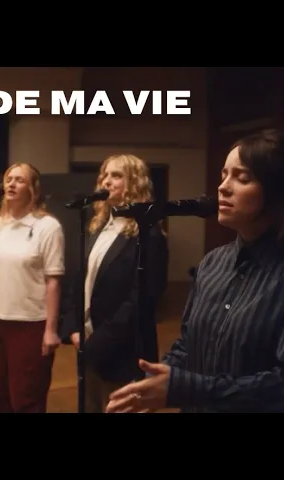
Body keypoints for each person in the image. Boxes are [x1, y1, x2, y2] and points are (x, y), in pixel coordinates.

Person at [106, 129, 284, 413]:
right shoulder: (212, 263)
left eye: (242, 178)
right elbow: (189, 345)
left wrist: (185, 388)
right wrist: (154, 383)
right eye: (224, 175)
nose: (223, 187)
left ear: (278, 192)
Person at [59, 154, 168, 413]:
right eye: (104, 175)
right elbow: (80, 280)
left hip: (123, 353)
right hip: (88, 346)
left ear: (135, 183)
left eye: (116, 176)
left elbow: (140, 300)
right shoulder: (98, 227)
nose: (106, 182)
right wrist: (74, 327)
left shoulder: (149, 234)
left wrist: (97, 342)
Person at [0, 162, 65, 413]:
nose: (11, 184)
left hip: (30, 324)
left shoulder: (48, 227)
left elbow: (53, 280)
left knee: (26, 398)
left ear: (33, 189)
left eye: (20, 180)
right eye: (9, 179)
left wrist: (51, 330)